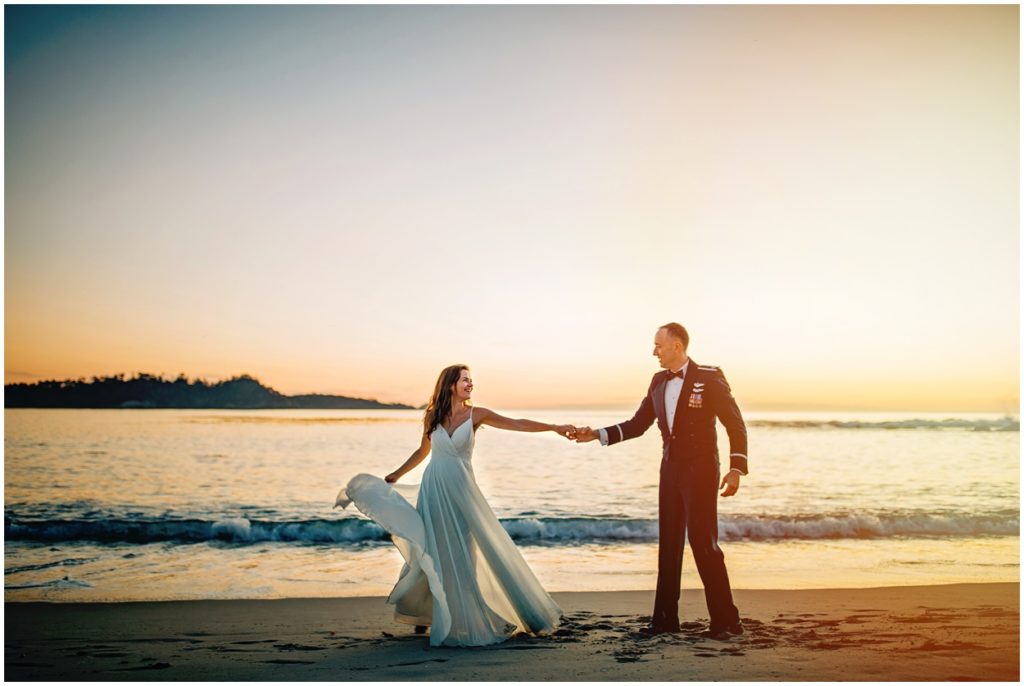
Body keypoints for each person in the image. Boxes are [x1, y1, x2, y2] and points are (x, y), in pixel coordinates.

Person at [337, 364, 573, 647]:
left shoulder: (477, 414)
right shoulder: (432, 416)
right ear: (450, 384)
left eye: (471, 380)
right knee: (433, 549)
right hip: (433, 489)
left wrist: (554, 428)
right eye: (465, 380)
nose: (470, 384)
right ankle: (429, 614)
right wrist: (397, 474)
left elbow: (518, 423)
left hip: (462, 491)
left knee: (466, 552)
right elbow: (423, 452)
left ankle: (475, 615)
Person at [574, 323, 748, 638]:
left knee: (703, 544)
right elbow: (638, 424)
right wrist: (596, 435)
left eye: (658, 345)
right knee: (668, 545)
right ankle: (665, 620)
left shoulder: (709, 377)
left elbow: (734, 424)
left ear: (677, 346)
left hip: (701, 471)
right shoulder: (657, 381)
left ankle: (726, 621)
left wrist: (736, 468)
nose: (654, 351)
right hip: (669, 471)